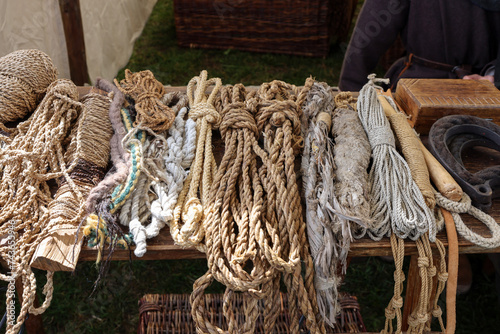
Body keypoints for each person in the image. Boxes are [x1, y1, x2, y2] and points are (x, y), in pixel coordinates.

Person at [338, 0, 500, 91]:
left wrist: (494, 75)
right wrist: (350, 90)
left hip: (485, 93)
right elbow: (369, 35)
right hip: (417, 87)